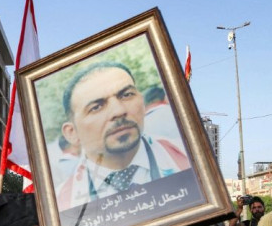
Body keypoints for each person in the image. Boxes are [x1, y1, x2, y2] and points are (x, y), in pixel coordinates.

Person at [55, 61, 190, 209]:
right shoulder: (60, 205)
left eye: (126, 95)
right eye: (96, 107)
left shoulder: (191, 157)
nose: (118, 111)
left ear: (142, 102)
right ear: (72, 133)